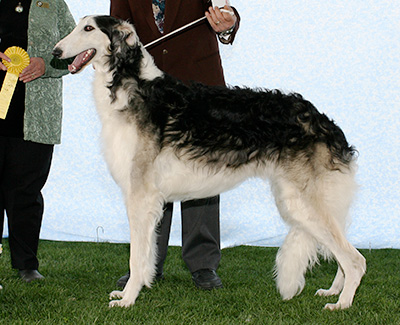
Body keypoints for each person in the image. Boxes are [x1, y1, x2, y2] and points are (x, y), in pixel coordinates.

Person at [110, 0, 240, 290]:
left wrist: (227, 24)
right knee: (150, 177)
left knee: (202, 172)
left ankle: (203, 264)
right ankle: (146, 264)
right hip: (149, 90)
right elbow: (116, 27)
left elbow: (226, 10)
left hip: (200, 86)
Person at [0, 0, 75, 282]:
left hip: (37, 116)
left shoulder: (53, 3)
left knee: (26, 193)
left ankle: (26, 265)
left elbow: (78, 50)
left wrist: (47, 64)